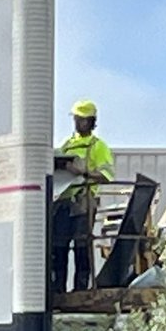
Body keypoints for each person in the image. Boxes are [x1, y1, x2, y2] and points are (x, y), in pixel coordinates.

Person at [53, 99, 115, 293]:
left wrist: (82, 172)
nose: (78, 123)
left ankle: (80, 290)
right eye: (76, 119)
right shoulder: (67, 145)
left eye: (82, 119)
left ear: (91, 121)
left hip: (83, 202)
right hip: (63, 202)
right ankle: (58, 290)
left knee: (81, 246)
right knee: (58, 247)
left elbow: (106, 176)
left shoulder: (98, 146)